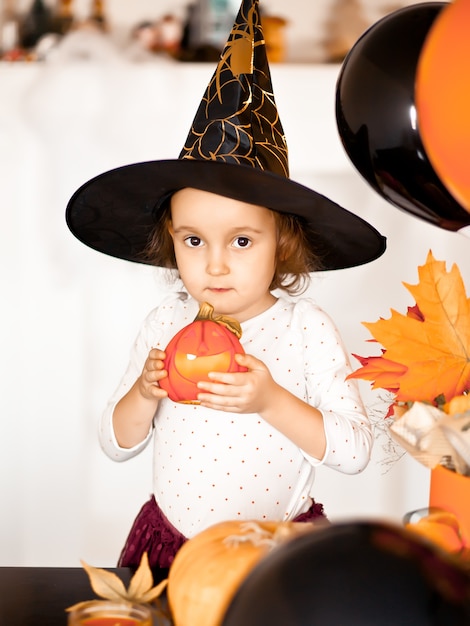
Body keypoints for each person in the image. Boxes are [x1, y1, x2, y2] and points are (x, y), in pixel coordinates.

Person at [66, 0, 386, 572]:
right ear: (171, 239)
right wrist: (144, 393)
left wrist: (271, 400)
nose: (214, 266)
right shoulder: (167, 324)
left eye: (241, 242)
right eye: (193, 241)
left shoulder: (304, 328)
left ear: (281, 242)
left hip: (275, 551)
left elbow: (356, 452)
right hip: (174, 546)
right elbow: (116, 445)